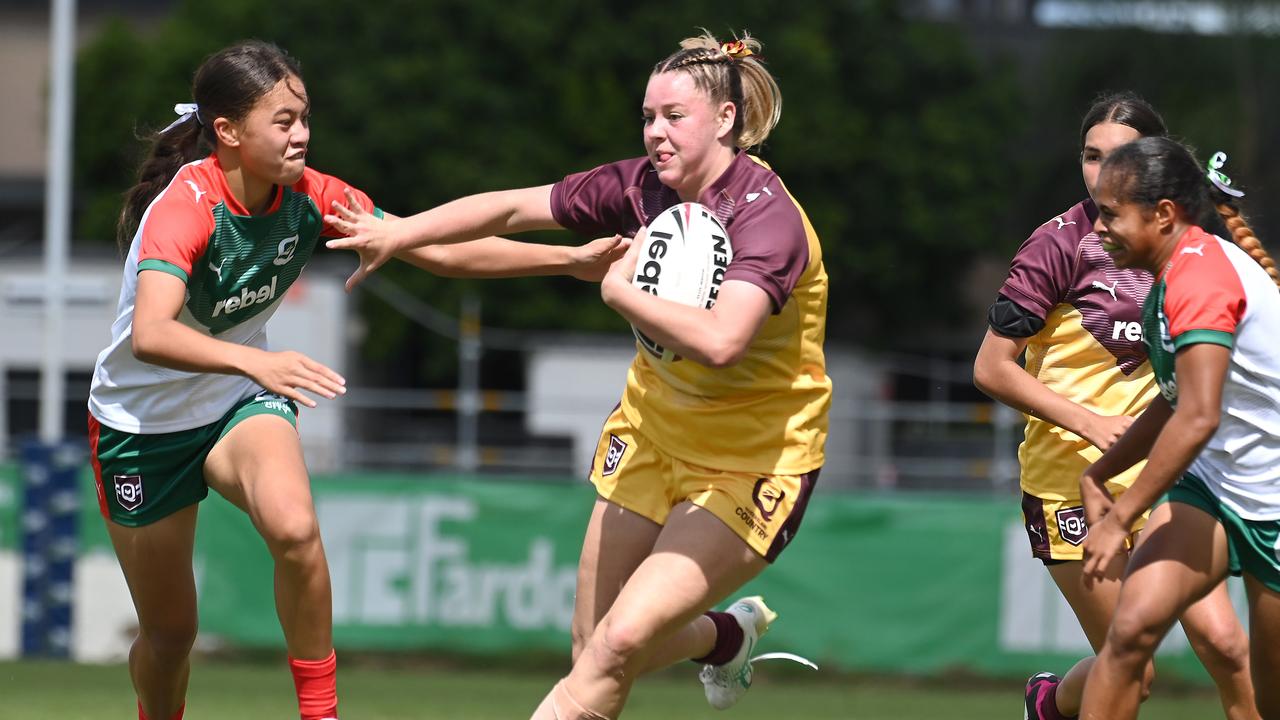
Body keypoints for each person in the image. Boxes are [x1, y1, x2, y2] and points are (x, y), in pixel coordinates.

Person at [87, 41, 623, 720]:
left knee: (295, 528)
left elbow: (430, 243)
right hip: (141, 428)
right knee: (170, 638)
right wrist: (259, 360)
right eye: (282, 121)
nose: (301, 133)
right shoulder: (186, 206)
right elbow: (152, 334)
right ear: (227, 132)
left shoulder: (313, 196)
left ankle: (321, 713)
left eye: (304, 116)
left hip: (233, 403)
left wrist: (566, 259)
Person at [325, 30, 828, 720]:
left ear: (726, 119)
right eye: (648, 117)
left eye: (673, 117)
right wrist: (400, 232)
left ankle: (721, 636)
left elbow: (721, 342)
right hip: (652, 434)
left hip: (753, 461)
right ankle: (726, 636)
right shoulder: (643, 187)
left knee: (617, 643)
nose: (656, 133)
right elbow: (506, 210)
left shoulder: (766, 219)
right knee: (594, 648)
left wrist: (618, 293)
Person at [972, 93, 1256, 720]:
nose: (1102, 173)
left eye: (1119, 157)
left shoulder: (1183, 245)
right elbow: (990, 368)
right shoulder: (1057, 246)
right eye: (1090, 156)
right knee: (1133, 675)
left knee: (1226, 643)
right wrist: (1092, 423)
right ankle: (1050, 704)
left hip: (1166, 477)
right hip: (1069, 485)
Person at [1077, 138, 1280, 720]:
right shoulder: (1171, 273)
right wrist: (1101, 474)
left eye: (1111, 212)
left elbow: (1198, 415)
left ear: (1162, 214)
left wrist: (1119, 516)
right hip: (1212, 486)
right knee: (1130, 633)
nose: (1099, 228)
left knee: (1269, 700)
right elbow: (1176, 400)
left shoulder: (1201, 278)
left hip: (1274, 499)